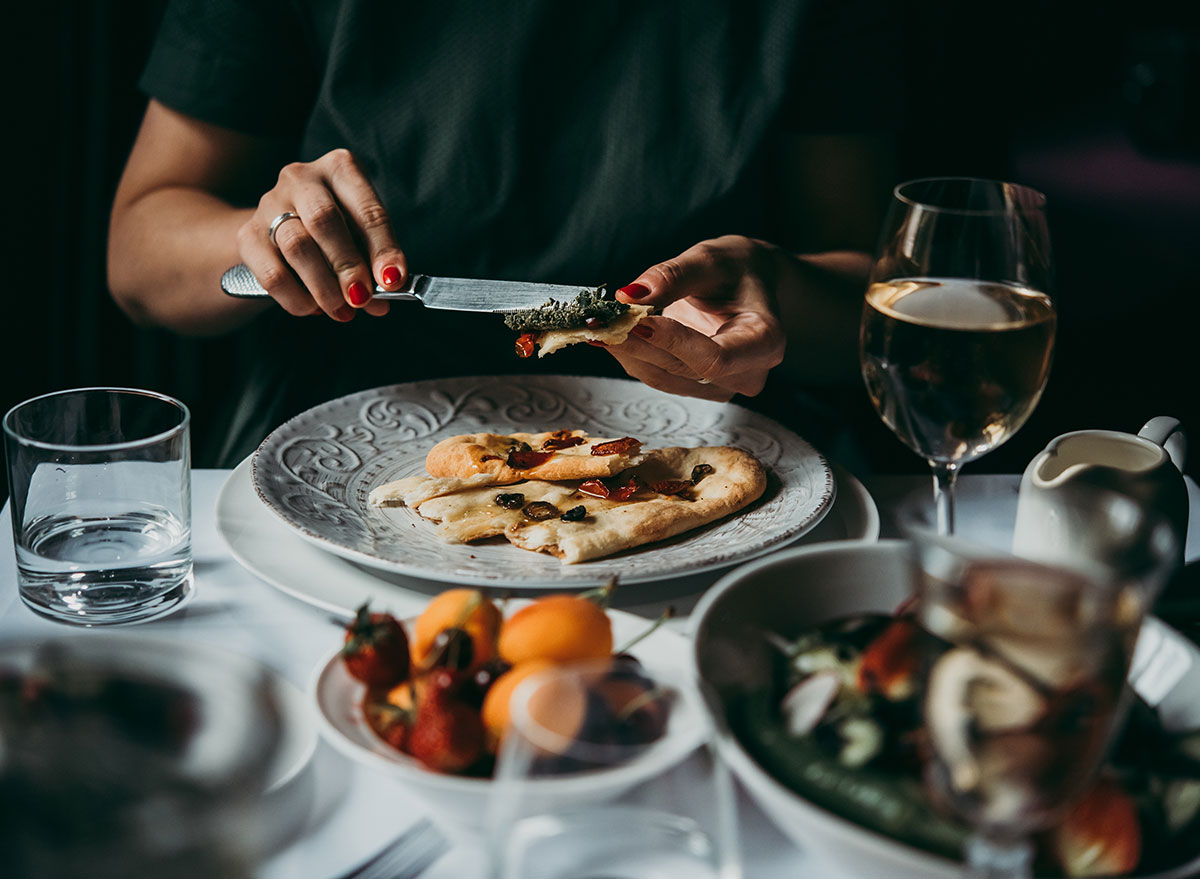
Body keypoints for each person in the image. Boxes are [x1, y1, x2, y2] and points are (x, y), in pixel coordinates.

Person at [108, 0, 900, 467]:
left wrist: (777, 293)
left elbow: (870, 297)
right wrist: (276, 244)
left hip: (703, 441)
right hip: (337, 440)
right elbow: (138, 255)